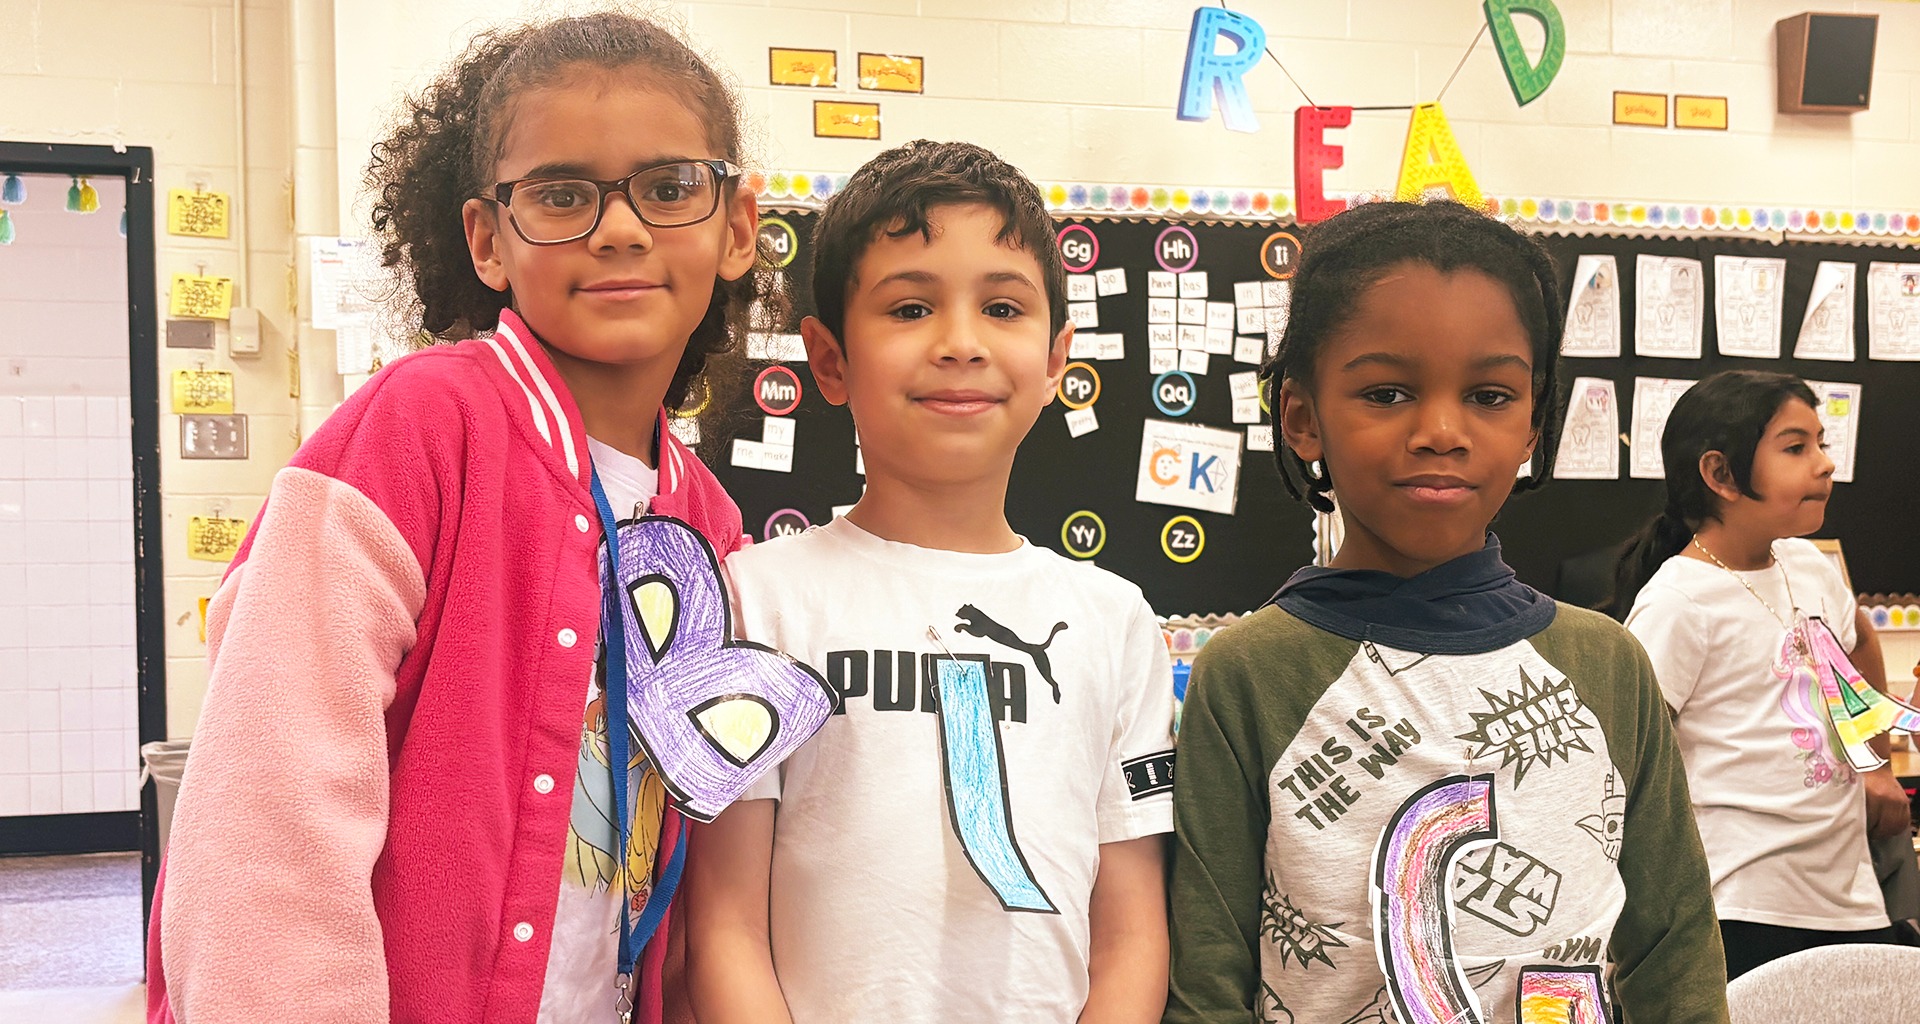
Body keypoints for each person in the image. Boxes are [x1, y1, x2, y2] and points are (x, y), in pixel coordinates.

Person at [146, 13, 823, 1023]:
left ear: (735, 228)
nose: (621, 228)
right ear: (487, 240)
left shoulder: (709, 524)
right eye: (561, 194)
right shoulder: (420, 431)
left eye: (669, 186)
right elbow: (267, 825)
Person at [1166, 200, 1728, 1024]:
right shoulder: (1250, 672)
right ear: (1302, 417)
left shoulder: (1606, 662)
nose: (1440, 431)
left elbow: (1674, 950)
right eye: (1387, 392)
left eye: (1490, 395)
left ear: (1536, 422)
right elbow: (1207, 981)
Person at [682, 140, 1174, 1024]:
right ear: (830, 361)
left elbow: (1131, 935)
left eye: (1002, 308)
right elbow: (724, 926)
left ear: (1057, 356)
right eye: (910, 307)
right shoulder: (755, 599)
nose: (960, 344)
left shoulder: (1113, 620)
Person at [1616, 369, 1913, 980]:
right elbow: (1628, 757)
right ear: (1720, 474)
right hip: (1740, 905)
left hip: (1849, 901)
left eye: (1822, 444)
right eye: (1796, 447)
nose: (1825, 464)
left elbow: (1860, 641)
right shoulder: (1679, 601)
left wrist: (1877, 766)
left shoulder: (1807, 564)